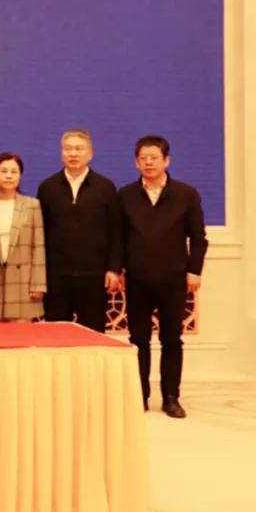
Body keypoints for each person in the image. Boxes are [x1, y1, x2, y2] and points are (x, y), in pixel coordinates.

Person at [118, 135, 207, 418]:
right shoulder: (125, 195)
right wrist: (117, 269)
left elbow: (198, 237)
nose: (148, 163)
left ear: (166, 160)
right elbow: (117, 238)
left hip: (174, 279)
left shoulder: (186, 194)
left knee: (172, 339)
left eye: (154, 157)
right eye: (143, 158)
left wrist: (194, 271)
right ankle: (140, 395)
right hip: (137, 279)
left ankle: (171, 397)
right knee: (138, 339)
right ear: (136, 162)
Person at [36, 129, 122, 332]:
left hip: (94, 275)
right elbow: (39, 234)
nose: (73, 154)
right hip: (56, 276)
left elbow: (116, 231)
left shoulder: (105, 187)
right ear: (61, 153)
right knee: (56, 334)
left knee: (93, 333)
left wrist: (114, 269)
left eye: (78, 149)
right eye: (68, 149)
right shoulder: (48, 187)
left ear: (90, 153)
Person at [0, 152, 46, 322]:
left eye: (14, 171)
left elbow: (38, 245)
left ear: (20, 176)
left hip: (23, 281)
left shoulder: (32, 205)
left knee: (21, 334)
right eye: (3, 171)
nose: (9, 176)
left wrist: (38, 283)